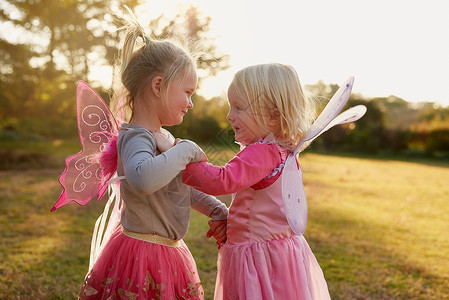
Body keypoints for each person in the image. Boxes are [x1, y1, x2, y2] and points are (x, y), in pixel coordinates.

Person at [78, 15, 228, 300]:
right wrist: (185, 150)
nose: (191, 102)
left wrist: (218, 210)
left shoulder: (163, 138)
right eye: (187, 92)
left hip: (168, 251)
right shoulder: (136, 136)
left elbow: (179, 189)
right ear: (158, 86)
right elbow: (143, 178)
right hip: (141, 253)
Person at [181, 63, 331, 299]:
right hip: (280, 254)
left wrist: (182, 161)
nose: (230, 115)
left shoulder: (263, 152)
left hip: (257, 259)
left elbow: (222, 181)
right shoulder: (285, 151)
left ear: (273, 116)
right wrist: (234, 224)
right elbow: (260, 206)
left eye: (239, 107)